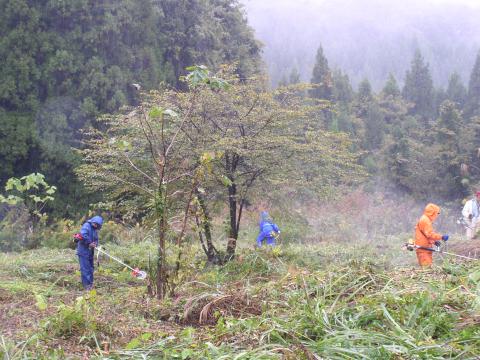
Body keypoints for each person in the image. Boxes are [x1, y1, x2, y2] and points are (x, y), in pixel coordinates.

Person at [77, 216, 103, 290]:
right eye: (95, 224)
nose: (96, 226)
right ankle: (87, 286)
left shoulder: (95, 230)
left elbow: (96, 239)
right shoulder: (86, 226)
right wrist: (89, 243)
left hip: (90, 251)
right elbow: (83, 235)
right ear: (93, 222)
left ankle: (90, 284)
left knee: (91, 268)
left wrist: (95, 244)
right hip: (83, 251)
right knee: (85, 269)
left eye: (97, 225)